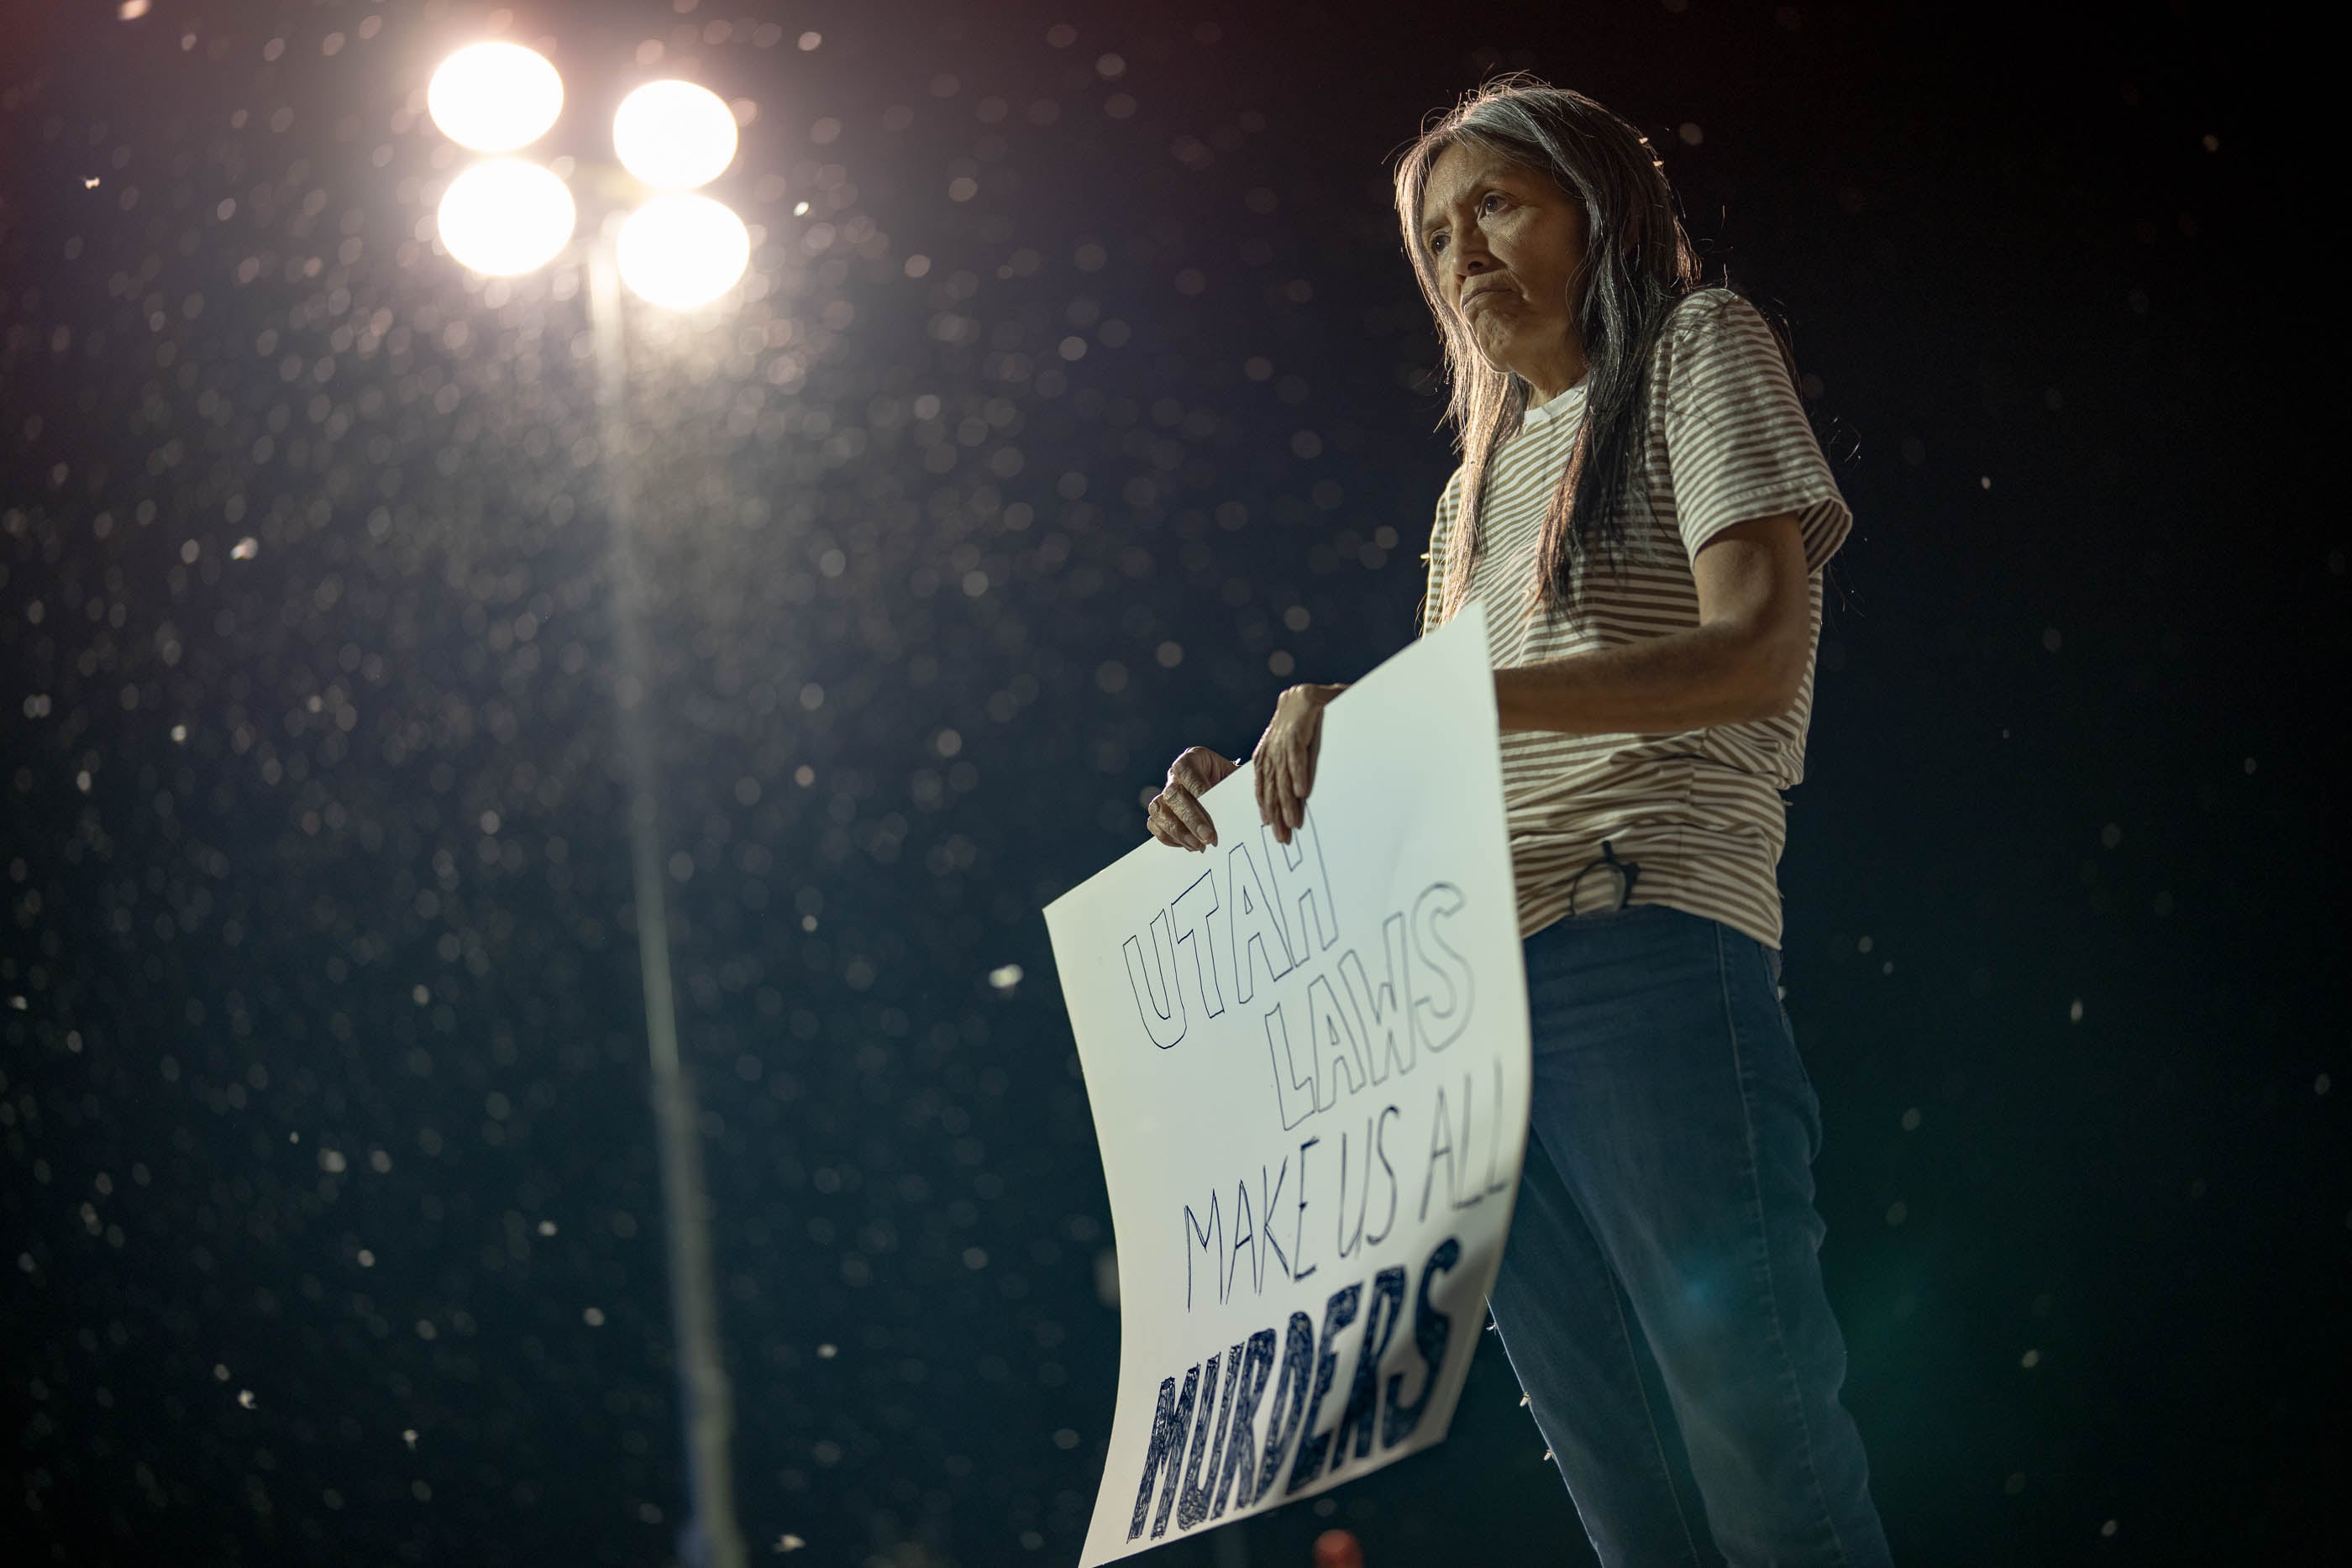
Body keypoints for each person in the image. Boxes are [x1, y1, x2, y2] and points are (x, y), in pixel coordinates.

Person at [1143, 76, 1894, 1567]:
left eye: (1497, 203)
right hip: (1469, 1009)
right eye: (1434, 235)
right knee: (1632, 1503)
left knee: (1763, 1459)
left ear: (1598, 206)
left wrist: (1430, 707)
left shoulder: (1697, 350)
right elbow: (1445, 763)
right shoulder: (1467, 491)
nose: (1462, 252)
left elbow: (1754, 651)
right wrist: (1254, 808)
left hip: (1645, 945)